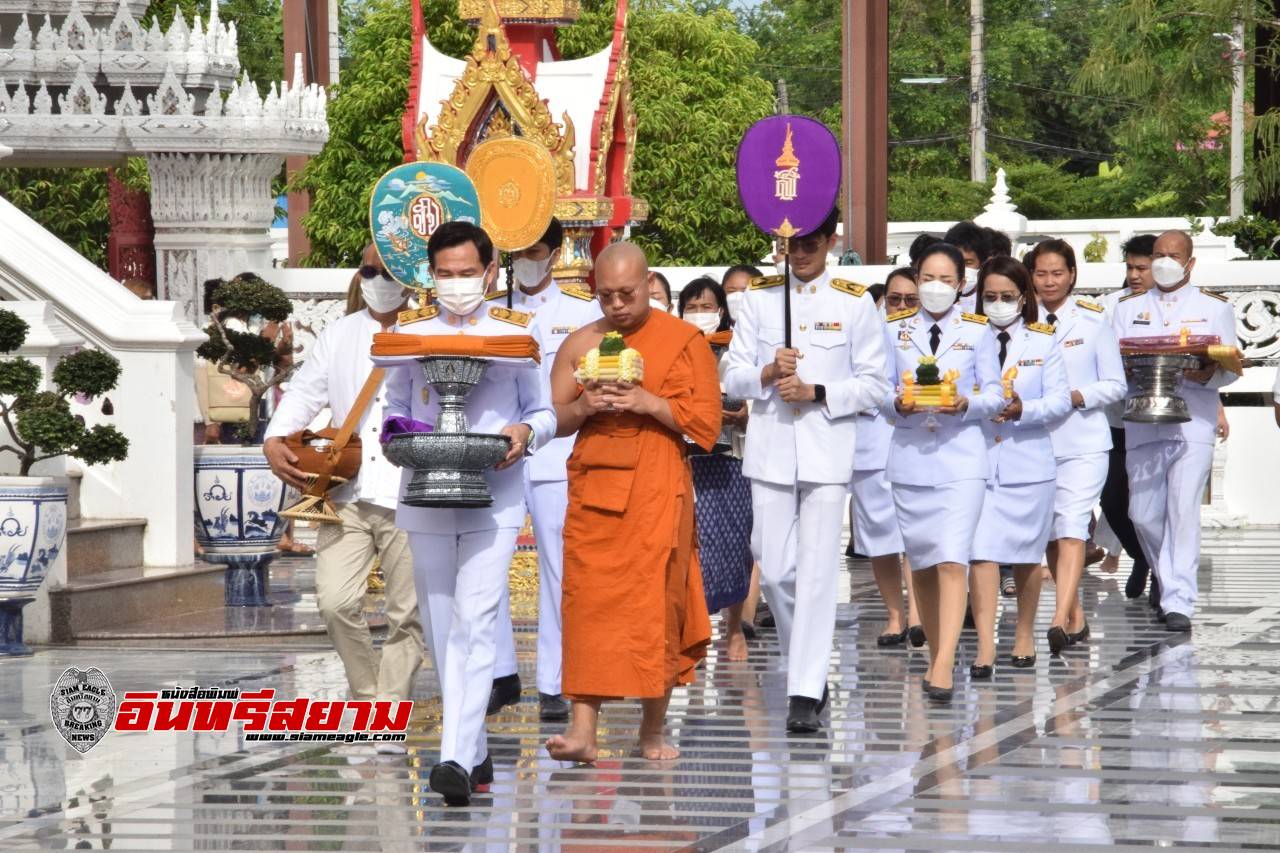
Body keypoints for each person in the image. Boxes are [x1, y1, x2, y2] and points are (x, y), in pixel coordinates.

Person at [383, 221, 556, 805]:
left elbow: (545, 409)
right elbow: (397, 407)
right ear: (431, 275)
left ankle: (452, 756)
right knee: (438, 629)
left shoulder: (516, 332)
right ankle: (476, 751)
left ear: (489, 272)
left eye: (467, 273)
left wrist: (524, 432)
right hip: (426, 492)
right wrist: (396, 435)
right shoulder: (412, 334)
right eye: (445, 274)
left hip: (496, 494)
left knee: (476, 621)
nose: (457, 284)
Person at [546, 241, 721, 763]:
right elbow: (552, 419)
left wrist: (649, 403)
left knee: (656, 609)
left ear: (649, 285)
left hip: (655, 488)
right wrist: (586, 404)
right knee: (587, 608)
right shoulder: (581, 343)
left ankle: (651, 731)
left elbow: (707, 424)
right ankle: (583, 731)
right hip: (596, 491)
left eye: (627, 293)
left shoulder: (682, 340)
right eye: (605, 296)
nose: (617, 305)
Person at [723, 207, 890, 732]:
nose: (797, 255)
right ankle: (810, 672)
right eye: (787, 245)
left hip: (826, 447)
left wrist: (819, 392)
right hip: (772, 445)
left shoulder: (855, 303)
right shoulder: (758, 298)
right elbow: (731, 373)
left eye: (808, 245)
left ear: (830, 240)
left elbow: (876, 385)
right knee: (774, 570)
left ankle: (803, 688)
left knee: (818, 573)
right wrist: (768, 372)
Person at [263, 244, 426, 722]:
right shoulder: (339, 334)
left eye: (387, 270)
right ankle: (371, 693)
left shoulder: (430, 332)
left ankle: (387, 710)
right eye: (368, 269)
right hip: (345, 490)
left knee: (406, 614)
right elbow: (304, 393)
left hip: (409, 490)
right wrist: (274, 437)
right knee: (334, 602)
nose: (376, 277)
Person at [484, 219, 602, 723]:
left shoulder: (582, 313)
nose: (529, 258)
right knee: (488, 567)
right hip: (499, 453)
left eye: (537, 250)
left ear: (554, 254)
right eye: (520, 250)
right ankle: (500, 674)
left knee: (559, 568)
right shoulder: (491, 313)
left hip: (556, 455)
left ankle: (555, 681)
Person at [884, 243, 1003, 702]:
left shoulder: (978, 332)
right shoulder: (893, 329)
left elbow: (995, 394)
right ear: (916, 279)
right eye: (927, 278)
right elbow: (875, 387)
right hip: (910, 457)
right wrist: (895, 403)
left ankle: (943, 663)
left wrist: (968, 403)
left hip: (960, 458)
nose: (935, 288)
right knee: (925, 565)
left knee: (954, 558)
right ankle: (938, 649)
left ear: (961, 285)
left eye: (946, 280)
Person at [1110, 229, 1239, 633]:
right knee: (1142, 513)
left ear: (1190, 262)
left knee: (1183, 511)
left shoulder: (1214, 307)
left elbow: (1231, 368)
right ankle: (1169, 582)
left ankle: (1178, 600)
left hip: (1193, 418)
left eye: (1174, 255)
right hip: (1142, 417)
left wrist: (1208, 373)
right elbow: (1113, 366)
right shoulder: (1127, 308)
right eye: (1159, 254)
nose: (1165, 262)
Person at [968, 255, 1071, 676]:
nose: (997, 303)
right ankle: (986, 644)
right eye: (989, 296)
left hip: (1028, 460)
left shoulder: (1043, 341)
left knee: (1028, 555)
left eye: (1006, 296)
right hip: (977, 459)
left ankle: (1025, 633)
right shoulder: (966, 339)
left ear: (1023, 297)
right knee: (981, 553)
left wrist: (1022, 409)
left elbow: (1060, 401)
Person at [1026, 239, 1125, 654]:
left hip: (1083, 439)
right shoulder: (1019, 318)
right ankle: (1076, 616)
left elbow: (1116, 384)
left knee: (1071, 526)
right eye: (1041, 273)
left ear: (1072, 275)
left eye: (1058, 273)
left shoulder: (1093, 321)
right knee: (1049, 532)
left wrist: (1076, 396)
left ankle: (1057, 619)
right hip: (1033, 441)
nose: (1050, 281)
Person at [678, 277, 754, 661]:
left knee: (735, 544)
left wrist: (741, 416)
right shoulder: (677, 348)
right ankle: (695, 629)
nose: (699, 314)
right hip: (690, 460)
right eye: (691, 307)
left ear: (721, 310)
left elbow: (755, 397)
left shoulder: (736, 349)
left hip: (731, 460)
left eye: (706, 307)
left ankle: (735, 625)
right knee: (696, 548)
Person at [854, 268, 922, 647]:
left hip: (916, 444)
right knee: (880, 539)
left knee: (914, 533)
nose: (900, 306)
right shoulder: (865, 333)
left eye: (910, 300)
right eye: (894, 299)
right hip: (870, 447)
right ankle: (895, 615)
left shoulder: (934, 337)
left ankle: (918, 614)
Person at [1099, 234, 1157, 600]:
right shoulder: (1109, 306)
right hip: (1118, 421)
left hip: (1159, 419)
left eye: (1142, 267)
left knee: (1154, 504)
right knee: (1113, 501)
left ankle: (1161, 573)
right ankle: (1143, 556)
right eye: (1130, 267)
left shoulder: (1182, 307)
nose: (1134, 275)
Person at [942, 221, 991, 311]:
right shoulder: (934, 296)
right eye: (955, 261)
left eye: (968, 263)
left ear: (981, 264)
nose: (961, 268)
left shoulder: (990, 300)